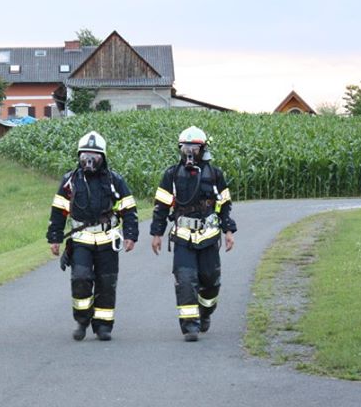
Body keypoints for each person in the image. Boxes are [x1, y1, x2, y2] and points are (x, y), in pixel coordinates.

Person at [47, 131, 139, 341]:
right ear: (79, 157)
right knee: (80, 279)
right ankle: (82, 320)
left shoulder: (114, 180)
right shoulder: (70, 181)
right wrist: (54, 238)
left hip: (108, 240)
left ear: (103, 157)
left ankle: (103, 326)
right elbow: (58, 210)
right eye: (85, 155)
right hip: (81, 240)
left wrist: (130, 235)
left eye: (94, 156)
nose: (89, 160)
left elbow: (129, 208)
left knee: (107, 283)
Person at [150, 126, 237, 342]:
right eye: (185, 148)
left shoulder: (215, 174)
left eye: (194, 149)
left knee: (210, 281)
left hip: (208, 237)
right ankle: (190, 326)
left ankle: (205, 313)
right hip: (183, 237)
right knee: (185, 280)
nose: (189, 153)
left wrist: (228, 231)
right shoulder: (171, 175)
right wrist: (157, 234)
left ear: (203, 149)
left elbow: (225, 205)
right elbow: (161, 207)